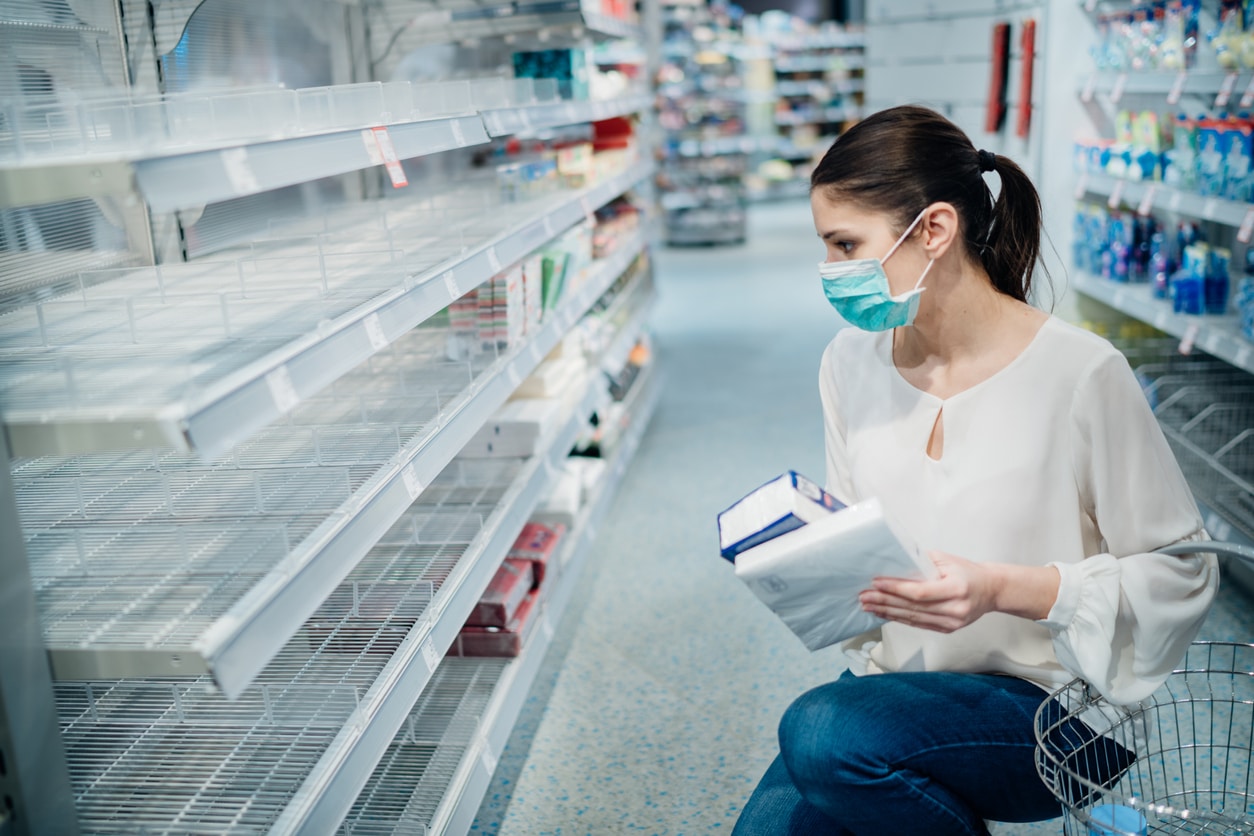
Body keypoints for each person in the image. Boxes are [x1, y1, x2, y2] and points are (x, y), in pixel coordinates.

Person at [731, 105, 1220, 835]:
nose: (831, 272)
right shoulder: (848, 364)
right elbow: (863, 540)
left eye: (845, 245)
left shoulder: (1081, 374)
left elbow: (1181, 571)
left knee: (822, 737)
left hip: (1060, 707)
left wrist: (1004, 589)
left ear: (933, 230)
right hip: (896, 688)